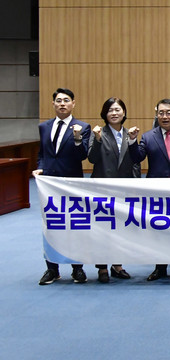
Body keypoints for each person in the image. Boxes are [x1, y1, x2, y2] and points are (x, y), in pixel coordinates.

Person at [128, 98, 170, 281]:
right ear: (156, 115)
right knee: (158, 231)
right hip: (156, 192)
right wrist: (132, 141)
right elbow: (137, 158)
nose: (164, 116)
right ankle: (159, 267)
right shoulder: (148, 136)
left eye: (168, 113)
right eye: (161, 113)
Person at [34, 88, 92, 285]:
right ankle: (52, 269)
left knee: (75, 225)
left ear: (73, 103)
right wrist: (40, 167)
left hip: (72, 184)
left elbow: (83, 155)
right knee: (52, 225)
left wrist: (77, 138)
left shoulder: (82, 127)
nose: (62, 104)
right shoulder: (44, 127)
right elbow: (42, 153)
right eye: (58, 100)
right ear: (53, 104)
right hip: (49, 184)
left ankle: (77, 268)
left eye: (66, 100)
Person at [88, 97, 140, 283]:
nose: (114, 113)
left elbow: (135, 161)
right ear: (105, 114)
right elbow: (92, 159)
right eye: (110, 110)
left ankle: (118, 265)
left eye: (118, 109)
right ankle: (102, 267)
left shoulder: (129, 133)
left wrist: (135, 185)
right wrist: (97, 140)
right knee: (102, 229)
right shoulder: (98, 132)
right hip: (103, 189)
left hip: (124, 190)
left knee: (120, 228)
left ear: (124, 112)